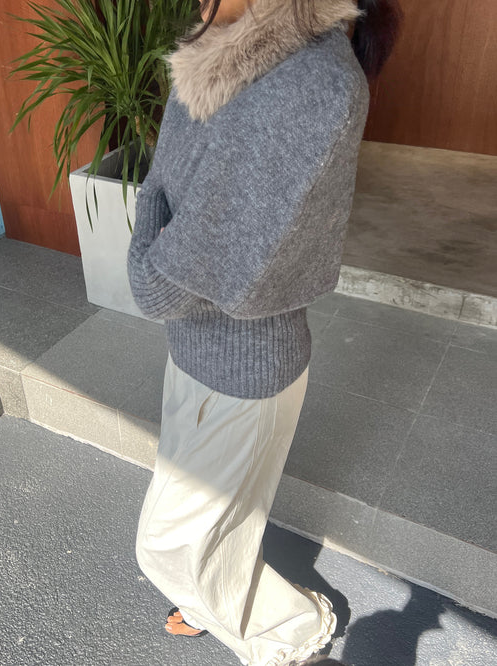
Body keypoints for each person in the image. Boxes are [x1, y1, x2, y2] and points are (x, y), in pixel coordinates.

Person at [127, 1, 402, 664]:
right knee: (214, 523)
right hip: (195, 347)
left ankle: (296, 634)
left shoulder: (311, 81)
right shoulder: (218, 46)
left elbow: (164, 274)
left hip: (246, 369)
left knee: (162, 546)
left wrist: (149, 251)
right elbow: (162, 187)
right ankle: (209, 595)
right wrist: (159, 242)